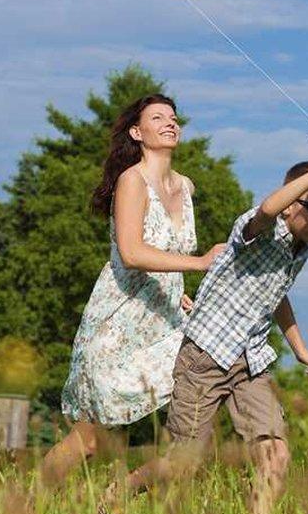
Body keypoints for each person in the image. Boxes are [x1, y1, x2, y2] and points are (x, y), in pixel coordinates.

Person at [113, 145, 308, 514]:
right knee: (181, 463)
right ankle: (116, 495)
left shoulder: (303, 249)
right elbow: (268, 210)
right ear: (292, 204)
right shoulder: (257, 231)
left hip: (251, 362)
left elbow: (275, 295)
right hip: (204, 357)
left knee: (276, 454)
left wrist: (301, 350)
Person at [39, 94, 225, 486]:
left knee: (202, 403)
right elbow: (132, 252)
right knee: (89, 441)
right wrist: (200, 263)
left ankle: (121, 496)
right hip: (118, 323)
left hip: (165, 321)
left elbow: (167, 258)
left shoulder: (185, 187)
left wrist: (179, 293)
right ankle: (23, 512)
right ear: (137, 132)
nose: (170, 123)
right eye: (158, 118)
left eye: (174, 117)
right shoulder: (132, 180)